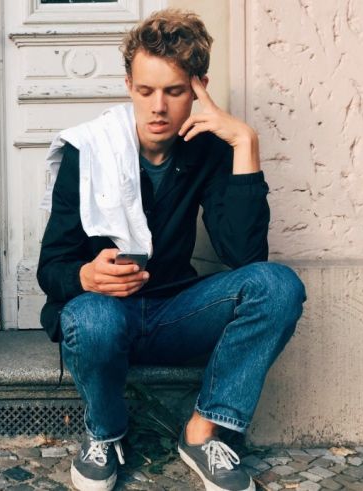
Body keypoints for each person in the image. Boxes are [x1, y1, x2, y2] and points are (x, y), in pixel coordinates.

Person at [37, 10, 306, 491]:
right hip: (106, 316)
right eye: (145, 91)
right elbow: (51, 266)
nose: (157, 107)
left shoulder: (209, 148)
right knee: (89, 317)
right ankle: (106, 433)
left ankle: (203, 432)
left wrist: (244, 143)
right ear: (128, 85)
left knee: (278, 285)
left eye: (174, 91)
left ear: (200, 87)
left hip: (176, 311)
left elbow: (245, 257)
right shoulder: (90, 149)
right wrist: (84, 277)